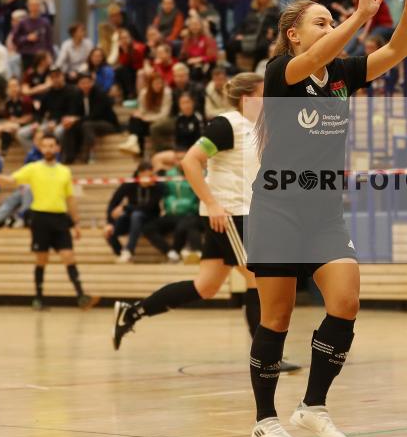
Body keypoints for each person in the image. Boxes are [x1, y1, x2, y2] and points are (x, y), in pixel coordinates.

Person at [245, 0, 407, 437]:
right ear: (292, 35)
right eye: (319, 22)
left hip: (323, 210)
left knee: (345, 301)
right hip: (277, 206)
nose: (327, 29)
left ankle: (312, 405)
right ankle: (264, 418)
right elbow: (324, 50)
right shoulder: (281, 71)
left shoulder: (340, 74)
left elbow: (398, 50)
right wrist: (359, 15)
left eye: (330, 20)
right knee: (276, 318)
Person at [112, 74, 301, 380]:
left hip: (243, 214)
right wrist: (212, 203)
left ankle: (132, 311)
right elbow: (190, 161)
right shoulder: (226, 124)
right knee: (258, 278)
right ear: (247, 97)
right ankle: (268, 356)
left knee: (206, 286)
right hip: (228, 215)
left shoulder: (258, 130)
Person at [0, 133, 98, 310]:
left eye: (51, 145)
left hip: (60, 219)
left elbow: (70, 199)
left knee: (68, 256)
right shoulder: (33, 168)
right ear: (40, 148)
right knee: (41, 259)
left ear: (57, 148)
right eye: (45, 146)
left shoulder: (65, 171)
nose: (48, 149)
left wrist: (76, 223)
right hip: (40, 218)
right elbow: (11, 180)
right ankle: (38, 298)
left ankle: (81, 296)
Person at [142, 161, 202, 263]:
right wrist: (149, 183)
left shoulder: (199, 173)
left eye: (184, 158)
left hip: (190, 213)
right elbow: (159, 189)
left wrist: (194, 207)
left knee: (185, 225)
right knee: (148, 228)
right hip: (171, 214)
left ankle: (193, 251)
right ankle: (172, 253)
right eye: (178, 158)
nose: (181, 161)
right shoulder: (168, 175)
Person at [104, 162, 163, 263]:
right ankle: (121, 254)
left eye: (153, 175)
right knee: (110, 232)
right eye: (149, 175)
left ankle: (128, 251)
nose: (152, 177)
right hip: (132, 218)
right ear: (140, 174)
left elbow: (149, 207)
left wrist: (125, 207)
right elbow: (113, 202)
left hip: (151, 217)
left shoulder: (157, 185)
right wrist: (109, 223)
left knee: (136, 215)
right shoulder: (130, 183)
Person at [62, 72, 120, 164]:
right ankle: (68, 157)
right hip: (86, 124)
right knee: (70, 127)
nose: (85, 85)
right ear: (78, 84)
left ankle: (87, 155)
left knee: (87, 125)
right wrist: (69, 120)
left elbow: (95, 115)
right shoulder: (76, 95)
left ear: (92, 83)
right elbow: (73, 113)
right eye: (82, 83)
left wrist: (76, 119)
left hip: (107, 124)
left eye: (87, 82)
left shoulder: (100, 94)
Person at [118, 72, 172, 157]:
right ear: (150, 84)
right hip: (146, 121)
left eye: (160, 83)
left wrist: (146, 118)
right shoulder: (144, 93)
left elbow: (164, 115)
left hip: (160, 121)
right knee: (134, 118)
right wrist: (140, 114)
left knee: (140, 125)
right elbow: (142, 110)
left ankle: (134, 143)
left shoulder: (167, 93)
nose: (159, 86)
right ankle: (136, 144)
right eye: (156, 83)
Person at [226, 0, 280, 64]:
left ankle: (255, 69)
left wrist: (273, 31)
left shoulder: (274, 11)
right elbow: (243, 25)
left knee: (262, 46)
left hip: (263, 36)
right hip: (248, 36)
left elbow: (279, 25)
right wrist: (239, 34)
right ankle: (232, 67)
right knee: (230, 43)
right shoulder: (252, 11)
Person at [0, 78, 34, 155]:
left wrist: (17, 120)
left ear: (19, 87)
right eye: (11, 86)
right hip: (12, 124)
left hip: (25, 125)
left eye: (15, 86)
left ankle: (3, 153)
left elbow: (30, 117)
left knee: (7, 129)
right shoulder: (7, 102)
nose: (13, 89)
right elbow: (8, 117)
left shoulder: (26, 100)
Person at [11, 0, 53, 73]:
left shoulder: (45, 22)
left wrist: (50, 55)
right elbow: (15, 39)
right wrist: (27, 38)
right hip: (27, 54)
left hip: (42, 56)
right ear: (28, 7)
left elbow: (49, 41)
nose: (35, 8)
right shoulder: (23, 22)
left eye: (37, 5)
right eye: (32, 5)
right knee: (28, 77)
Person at [180, 16, 218, 83]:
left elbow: (212, 56)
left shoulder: (208, 39)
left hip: (206, 63)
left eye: (196, 24)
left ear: (201, 26)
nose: (194, 27)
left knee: (197, 70)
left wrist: (200, 59)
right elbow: (183, 54)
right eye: (192, 25)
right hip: (191, 63)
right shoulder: (187, 39)